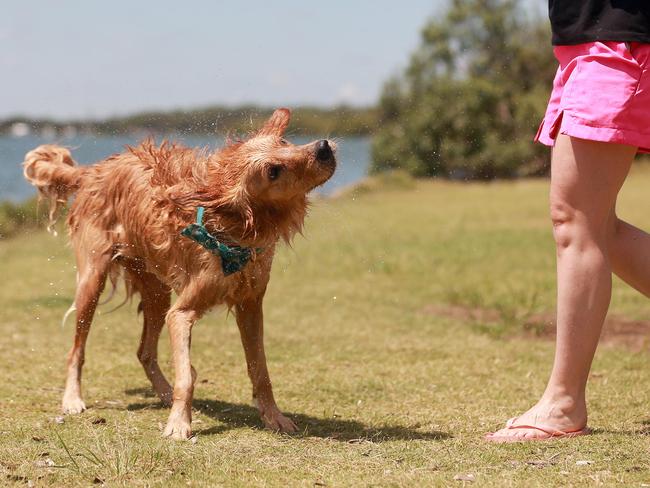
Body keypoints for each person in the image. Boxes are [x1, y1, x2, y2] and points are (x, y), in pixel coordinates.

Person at [486, 1, 650, 442]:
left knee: (577, 222)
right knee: (594, 227)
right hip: (584, 46)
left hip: (617, 42)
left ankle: (563, 402)